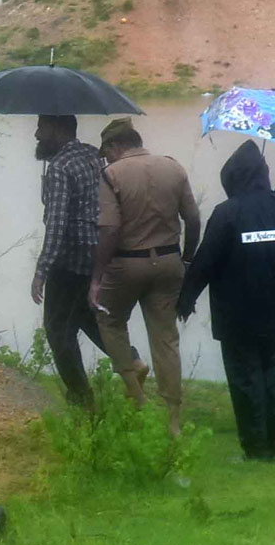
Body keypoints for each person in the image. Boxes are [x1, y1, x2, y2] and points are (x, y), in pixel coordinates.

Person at [90, 117, 200, 434]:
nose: (106, 158)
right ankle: (173, 419)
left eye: (106, 151)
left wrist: (97, 278)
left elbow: (109, 230)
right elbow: (193, 219)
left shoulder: (111, 175)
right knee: (166, 340)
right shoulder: (173, 167)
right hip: (169, 262)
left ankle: (138, 398)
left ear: (116, 146)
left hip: (127, 263)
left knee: (107, 318)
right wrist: (188, 259)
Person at [32, 115, 145, 406]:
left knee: (57, 330)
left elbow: (57, 224)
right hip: (98, 255)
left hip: (69, 260)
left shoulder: (60, 167)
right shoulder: (94, 156)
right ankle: (131, 360)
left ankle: (81, 398)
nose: (35, 134)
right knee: (87, 318)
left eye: (41, 128)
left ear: (58, 130)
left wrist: (42, 270)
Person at [177, 140, 275, 460]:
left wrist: (185, 300)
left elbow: (205, 263)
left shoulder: (226, 214)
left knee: (246, 381)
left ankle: (257, 448)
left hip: (238, 318)